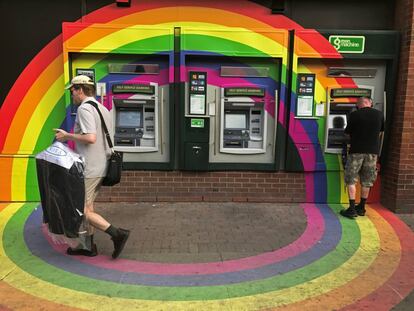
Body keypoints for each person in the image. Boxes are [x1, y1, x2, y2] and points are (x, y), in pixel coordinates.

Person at [55, 75, 130, 258]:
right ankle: (87, 246)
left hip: (90, 168)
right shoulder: (103, 108)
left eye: (72, 90)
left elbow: (91, 138)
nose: (72, 95)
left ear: (80, 89)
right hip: (101, 166)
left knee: (81, 209)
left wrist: (67, 136)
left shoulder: (84, 109)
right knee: (87, 207)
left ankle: (117, 234)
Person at [340, 96, 384, 219]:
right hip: (372, 153)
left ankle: (352, 209)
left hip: (356, 152)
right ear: (370, 103)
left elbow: (347, 133)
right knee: (367, 180)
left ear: (359, 104)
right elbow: (380, 132)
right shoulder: (379, 114)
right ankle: (362, 207)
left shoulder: (355, 115)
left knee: (351, 179)